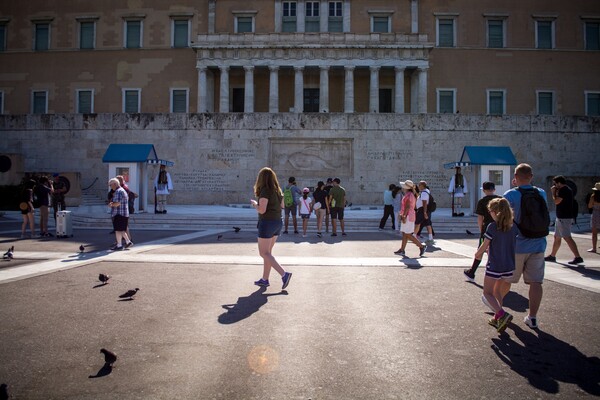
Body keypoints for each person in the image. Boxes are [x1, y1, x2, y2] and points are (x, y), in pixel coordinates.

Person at [501, 163, 548, 330]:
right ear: (531, 176)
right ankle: (533, 317)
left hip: (518, 244)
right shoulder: (541, 193)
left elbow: (503, 220)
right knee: (536, 282)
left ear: (515, 177)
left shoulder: (510, 195)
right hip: (538, 243)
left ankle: (499, 313)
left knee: (507, 280)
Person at [474, 198, 519, 333]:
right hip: (509, 264)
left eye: (490, 211)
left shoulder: (493, 227)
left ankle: (501, 314)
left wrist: (478, 254)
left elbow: (485, 243)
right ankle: (496, 318)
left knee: (487, 292)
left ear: (495, 212)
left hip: (495, 264)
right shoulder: (513, 226)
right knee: (497, 292)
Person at [250, 167, 292, 290]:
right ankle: (265, 279)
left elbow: (262, 210)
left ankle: (284, 274)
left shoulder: (265, 191)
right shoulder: (278, 191)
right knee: (268, 253)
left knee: (263, 253)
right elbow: (282, 206)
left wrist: (255, 204)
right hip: (277, 222)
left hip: (267, 222)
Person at [464, 181, 501, 281]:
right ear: (494, 189)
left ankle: (472, 272)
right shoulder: (501, 199)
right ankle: (499, 273)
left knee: (481, 250)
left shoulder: (482, 201)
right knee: (495, 251)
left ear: (484, 190)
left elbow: (480, 218)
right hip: (500, 229)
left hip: (487, 229)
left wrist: (481, 230)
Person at [544, 175, 583, 265]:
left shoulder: (564, 190)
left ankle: (578, 257)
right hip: (562, 216)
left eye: (555, 183)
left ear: (559, 183)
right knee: (557, 237)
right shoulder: (567, 190)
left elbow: (557, 201)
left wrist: (553, 193)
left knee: (567, 237)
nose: (554, 185)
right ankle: (552, 255)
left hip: (564, 217)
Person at [394, 180, 427, 257]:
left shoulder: (409, 195)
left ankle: (421, 246)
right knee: (405, 234)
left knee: (407, 234)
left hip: (408, 216)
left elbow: (408, 206)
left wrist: (404, 216)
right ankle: (402, 249)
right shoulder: (411, 194)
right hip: (409, 215)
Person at [107, 178, 133, 251]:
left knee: (118, 230)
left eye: (110, 185)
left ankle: (119, 245)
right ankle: (128, 242)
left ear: (115, 184)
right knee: (121, 229)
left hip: (119, 213)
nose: (110, 187)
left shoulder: (118, 191)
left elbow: (118, 203)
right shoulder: (122, 190)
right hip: (124, 213)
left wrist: (111, 205)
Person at [116, 175, 135, 244]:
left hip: (123, 210)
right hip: (124, 210)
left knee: (123, 227)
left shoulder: (122, 189)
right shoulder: (124, 188)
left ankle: (127, 240)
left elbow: (121, 200)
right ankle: (124, 240)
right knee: (124, 227)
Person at [588, 183, 600, 253]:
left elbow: (589, 206)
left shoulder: (593, 197)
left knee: (594, 233)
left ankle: (594, 248)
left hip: (596, 214)